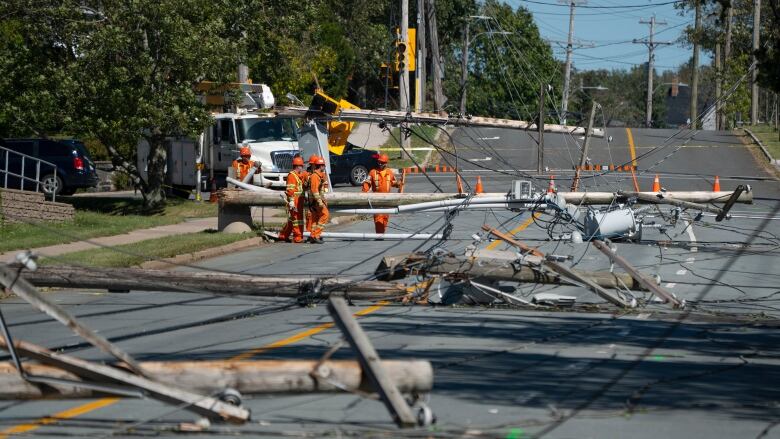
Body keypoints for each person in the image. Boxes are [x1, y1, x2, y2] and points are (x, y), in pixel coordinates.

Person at [361, 153, 400, 234]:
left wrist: (399, 184)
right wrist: (364, 193)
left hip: (387, 200)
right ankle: (379, 235)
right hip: (376, 200)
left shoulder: (390, 172)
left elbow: (394, 182)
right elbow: (367, 183)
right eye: (379, 162)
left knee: (385, 218)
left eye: (382, 163)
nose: (380, 164)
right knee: (378, 218)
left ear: (386, 163)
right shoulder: (373, 172)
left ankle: (382, 234)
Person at [277, 156, 307, 243]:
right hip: (295, 201)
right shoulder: (292, 176)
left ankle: (283, 235)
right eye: (301, 166)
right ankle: (297, 237)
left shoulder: (299, 175)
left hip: (299, 200)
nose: (302, 168)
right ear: (298, 166)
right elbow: (290, 190)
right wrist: (292, 201)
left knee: (293, 219)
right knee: (296, 220)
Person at [307, 155, 329, 244]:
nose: (324, 167)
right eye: (323, 165)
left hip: (316, 201)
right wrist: (320, 201)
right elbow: (314, 190)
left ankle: (313, 236)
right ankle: (316, 235)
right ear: (321, 166)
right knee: (325, 215)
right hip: (316, 201)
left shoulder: (319, 175)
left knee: (315, 219)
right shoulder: (315, 176)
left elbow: (322, 186)